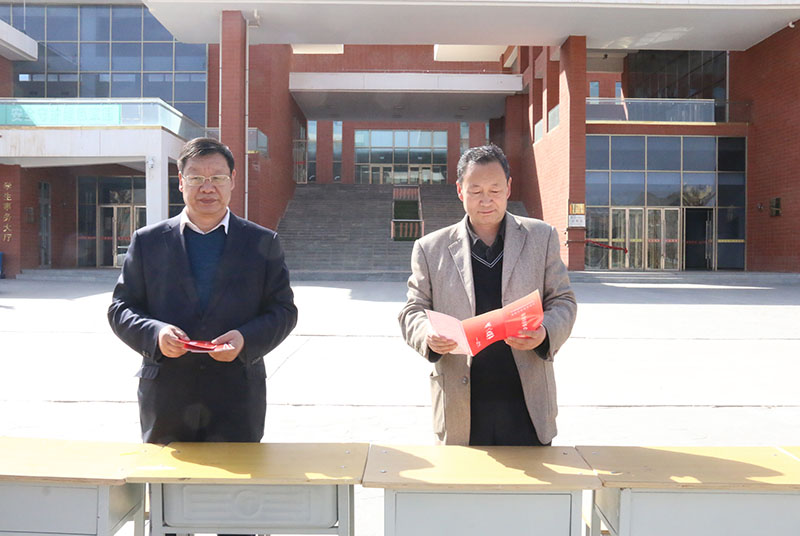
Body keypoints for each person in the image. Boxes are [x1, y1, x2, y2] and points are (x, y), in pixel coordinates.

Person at [108, 137, 298, 444]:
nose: (207, 188)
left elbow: (283, 310)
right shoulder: (148, 242)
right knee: (164, 475)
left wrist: (245, 340)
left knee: (238, 476)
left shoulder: (261, 243)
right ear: (181, 182)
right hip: (167, 396)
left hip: (237, 396)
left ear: (232, 180)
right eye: (196, 178)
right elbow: (121, 308)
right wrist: (156, 334)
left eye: (217, 178)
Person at [399, 144, 576, 446]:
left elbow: (563, 300)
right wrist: (427, 334)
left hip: (526, 402)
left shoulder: (541, 237)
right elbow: (412, 310)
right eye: (476, 191)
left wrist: (545, 333)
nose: (486, 200)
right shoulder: (430, 248)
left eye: (494, 190)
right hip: (461, 403)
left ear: (508, 188)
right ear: (460, 191)